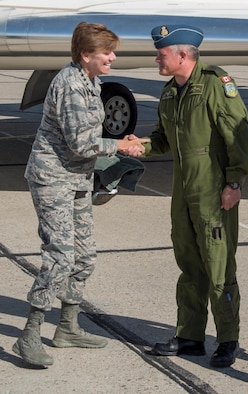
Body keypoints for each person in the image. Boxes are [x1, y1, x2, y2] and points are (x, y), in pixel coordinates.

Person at [12, 21, 148, 367]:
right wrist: (120, 145)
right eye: (107, 52)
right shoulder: (70, 84)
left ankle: (68, 327)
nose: (113, 57)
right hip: (53, 178)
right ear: (86, 54)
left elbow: (90, 137)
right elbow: (81, 143)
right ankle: (29, 334)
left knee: (84, 255)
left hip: (77, 178)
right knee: (60, 256)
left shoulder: (90, 79)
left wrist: (122, 143)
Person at [138, 24, 248, 368]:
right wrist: (135, 146)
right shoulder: (170, 92)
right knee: (189, 266)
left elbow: (238, 135)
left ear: (182, 55)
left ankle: (228, 339)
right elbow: (160, 140)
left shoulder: (216, 84)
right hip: (182, 194)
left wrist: (234, 183)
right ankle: (190, 336)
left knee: (218, 268)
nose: (157, 58)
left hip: (213, 193)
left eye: (162, 54)